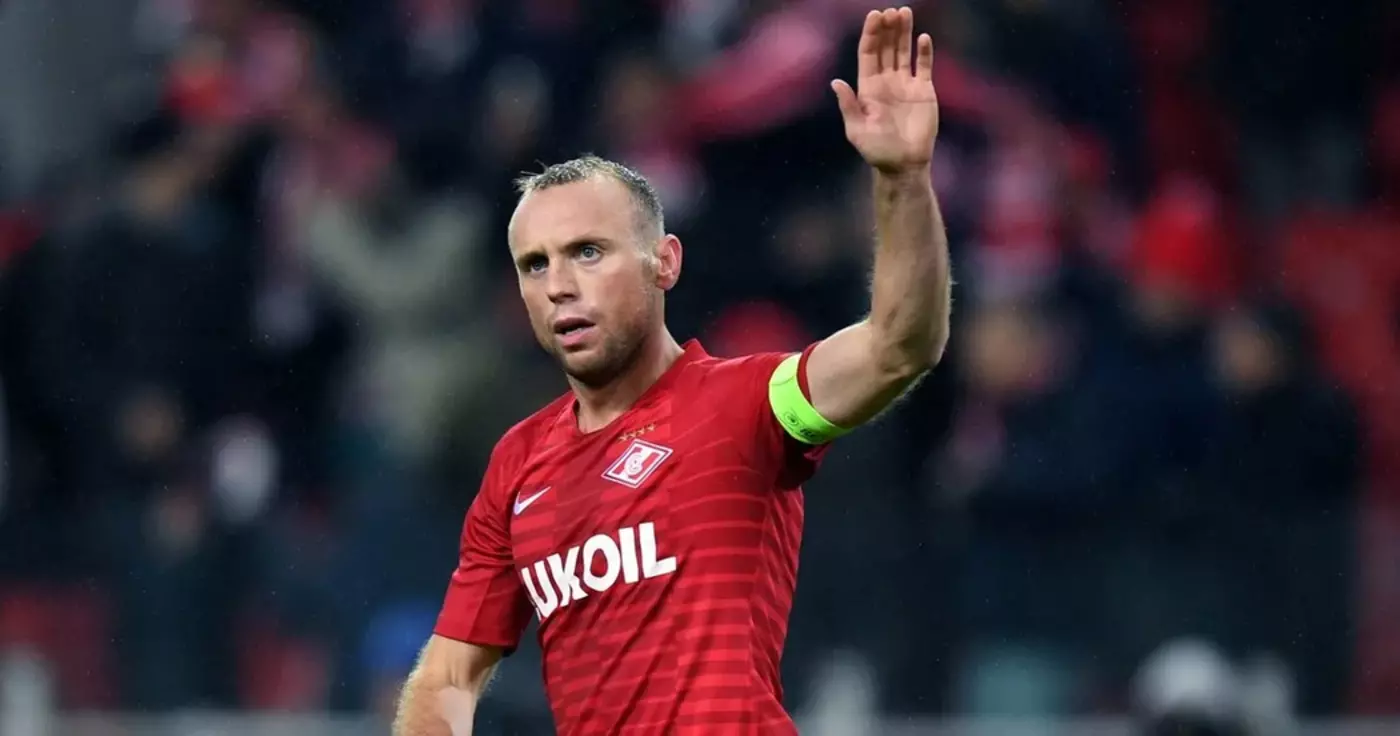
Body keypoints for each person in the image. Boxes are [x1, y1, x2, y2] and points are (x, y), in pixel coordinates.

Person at [393, 7, 951, 734]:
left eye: (588, 252)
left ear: (665, 263)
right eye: (535, 265)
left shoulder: (747, 403)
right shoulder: (518, 466)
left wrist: (901, 179)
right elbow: (447, 676)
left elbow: (898, 347)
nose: (559, 284)